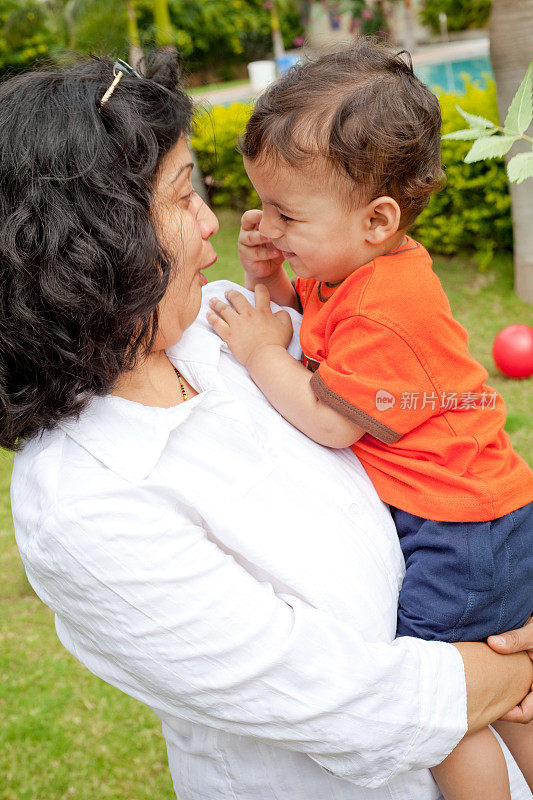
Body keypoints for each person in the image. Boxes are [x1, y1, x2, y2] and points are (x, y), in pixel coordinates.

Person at [3, 53, 533, 800]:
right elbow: (357, 704)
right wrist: (515, 663)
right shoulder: (84, 500)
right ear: (95, 241)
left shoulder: (221, 320)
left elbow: (342, 344)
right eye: (185, 195)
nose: (215, 222)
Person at [206, 38, 533, 800]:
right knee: (511, 693)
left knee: (445, 704)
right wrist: (269, 274)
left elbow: (330, 420)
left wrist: (259, 351)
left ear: (378, 218)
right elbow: (317, 325)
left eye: (287, 213)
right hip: (480, 518)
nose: (266, 223)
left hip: (460, 534)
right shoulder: (352, 270)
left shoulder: (388, 307)